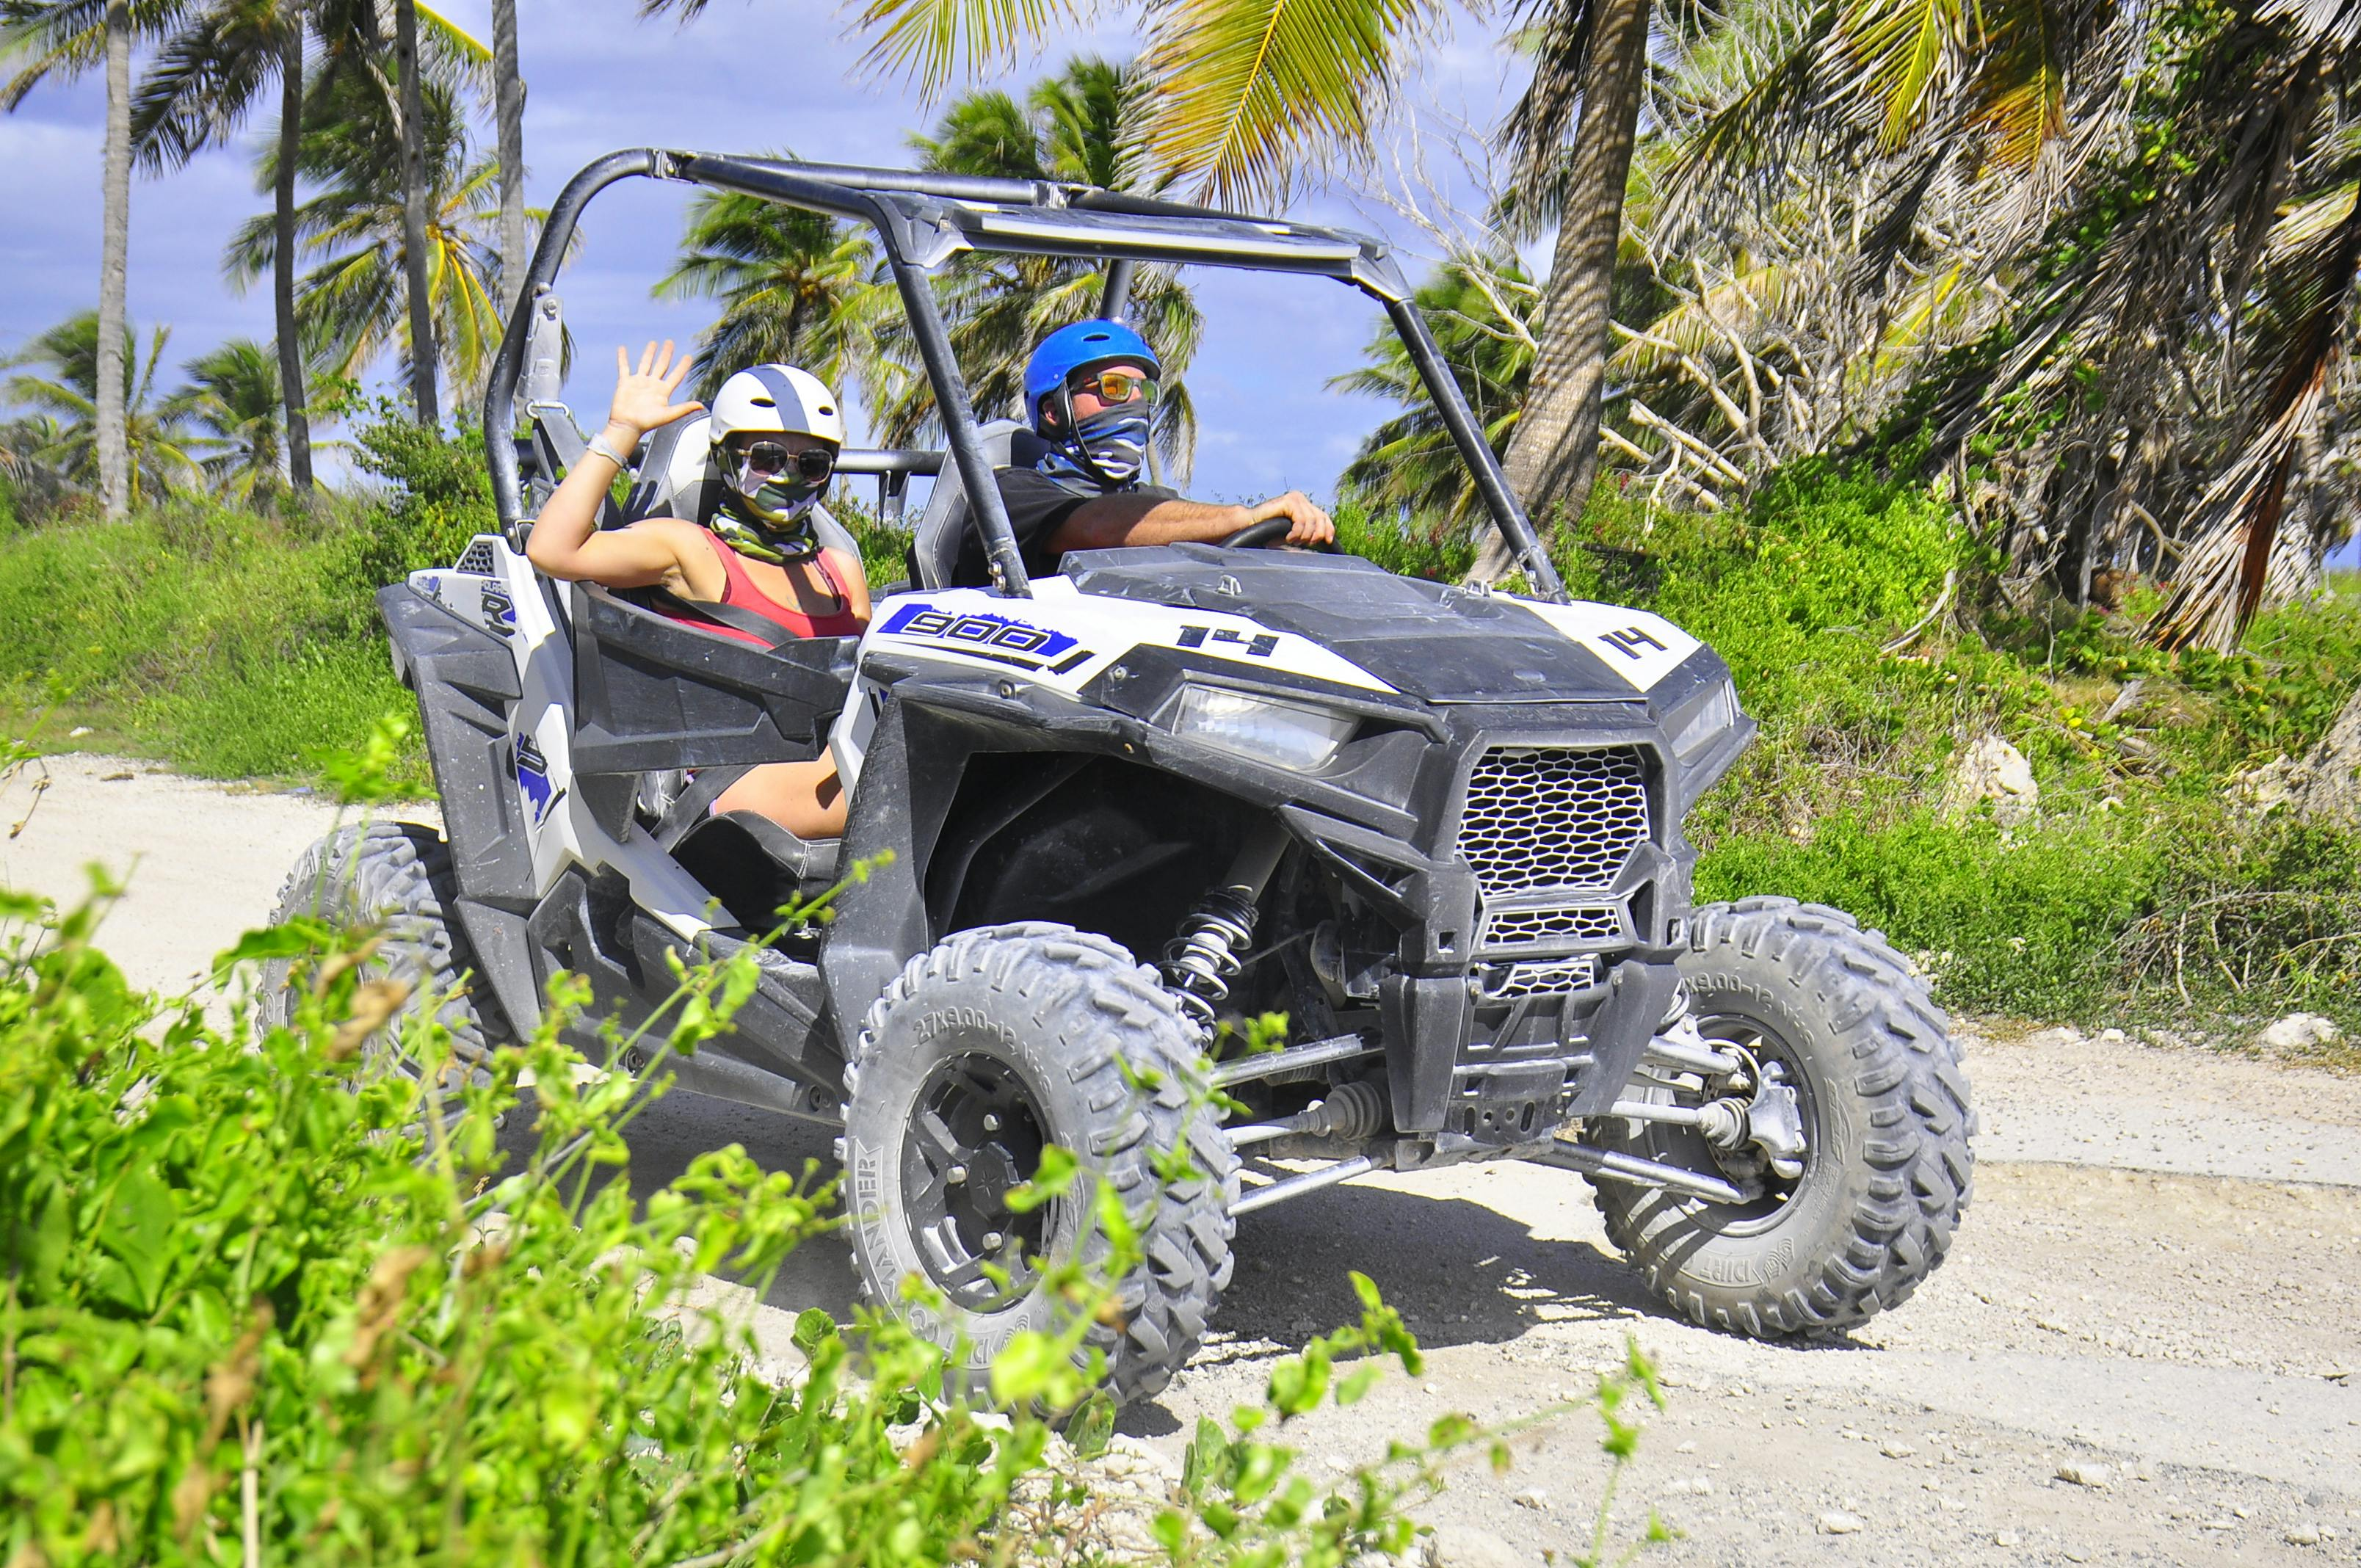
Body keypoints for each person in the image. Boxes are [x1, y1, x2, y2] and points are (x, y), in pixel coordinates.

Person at [526, 341, 868, 840]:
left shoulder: (840, 570)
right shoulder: (690, 550)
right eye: (768, 457)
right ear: (727, 457)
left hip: (832, 761)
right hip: (729, 779)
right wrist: (622, 434)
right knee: (900, 786)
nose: (789, 476)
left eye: (812, 464)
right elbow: (552, 550)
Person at [951, 319, 1338, 587]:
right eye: (1114, 387)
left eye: (1144, 391)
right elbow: (1098, 525)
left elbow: (1205, 547)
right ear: (1054, 410)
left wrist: (1280, 544)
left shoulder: (1158, 504)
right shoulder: (1010, 493)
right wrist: (1243, 517)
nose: (1136, 402)